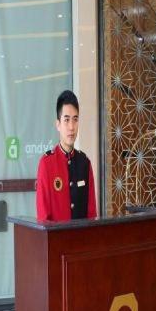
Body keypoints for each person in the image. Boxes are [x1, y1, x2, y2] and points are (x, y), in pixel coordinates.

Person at [36, 89, 97, 221]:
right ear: (58, 124)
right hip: (56, 240)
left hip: (82, 240)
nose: (71, 127)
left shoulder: (84, 163)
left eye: (75, 120)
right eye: (66, 120)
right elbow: (43, 218)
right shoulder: (46, 164)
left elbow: (91, 213)